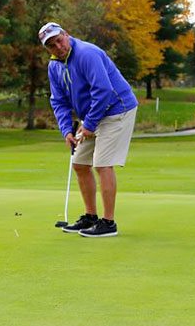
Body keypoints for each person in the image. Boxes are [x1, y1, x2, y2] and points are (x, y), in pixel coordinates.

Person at [39, 22, 138, 238]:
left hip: (116, 109)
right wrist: (67, 130)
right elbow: (59, 101)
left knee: (102, 164)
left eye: (59, 39)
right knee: (80, 164)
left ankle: (108, 223)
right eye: (52, 45)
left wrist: (89, 125)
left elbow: (103, 91)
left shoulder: (87, 54)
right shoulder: (54, 66)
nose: (58, 46)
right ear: (48, 49)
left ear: (66, 34)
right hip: (92, 114)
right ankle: (90, 217)